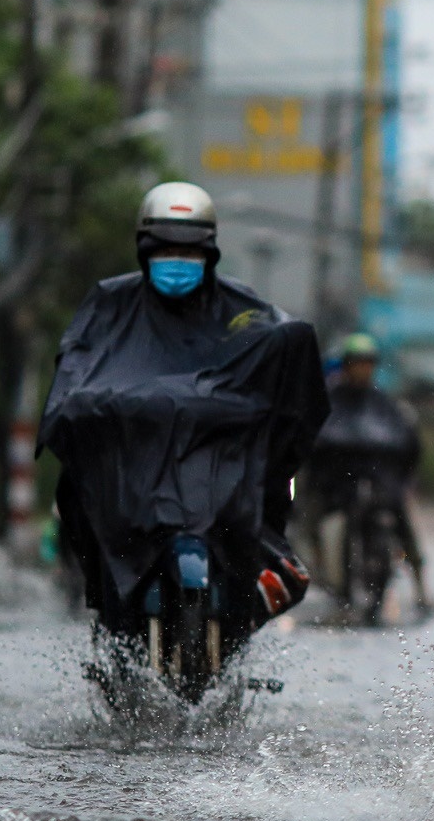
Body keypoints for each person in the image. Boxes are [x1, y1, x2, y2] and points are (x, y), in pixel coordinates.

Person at [43, 182, 327, 649]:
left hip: (215, 474)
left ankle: (247, 599)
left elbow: (276, 348)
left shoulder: (242, 311)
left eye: (189, 250)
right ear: (144, 248)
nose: (177, 260)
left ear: (210, 252)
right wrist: (83, 405)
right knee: (77, 499)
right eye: (166, 249)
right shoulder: (110, 306)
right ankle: (107, 611)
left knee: (280, 563)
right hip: (134, 473)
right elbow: (76, 363)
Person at [310, 333, 427, 624]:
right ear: (346, 366)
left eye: (368, 364)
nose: (363, 370)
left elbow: (407, 443)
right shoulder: (327, 401)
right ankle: (326, 578)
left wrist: (399, 477)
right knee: (316, 526)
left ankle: (419, 582)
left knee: (402, 524)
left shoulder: (384, 404)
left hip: (381, 486)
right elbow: (313, 443)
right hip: (338, 489)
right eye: (357, 364)